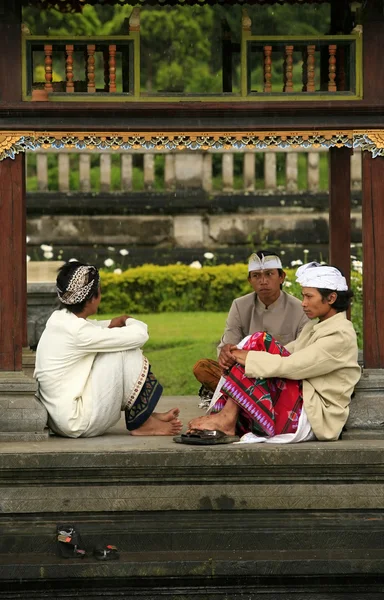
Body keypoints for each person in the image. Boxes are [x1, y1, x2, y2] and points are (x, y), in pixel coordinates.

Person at [185, 262, 361, 444]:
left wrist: (244, 355)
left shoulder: (340, 334)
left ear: (331, 298)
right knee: (257, 343)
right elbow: (285, 353)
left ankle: (226, 418)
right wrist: (241, 352)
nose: (303, 303)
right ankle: (226, 417)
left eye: (309, 297)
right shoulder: (315, 327)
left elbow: (292, 366)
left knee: (259, 342)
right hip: (299, 403)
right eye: (303, 297)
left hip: (313, 416)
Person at [34, 261, 182, 438]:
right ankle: (143, 423)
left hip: (60, 418)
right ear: (91, 298)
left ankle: (145, 415)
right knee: (125, 351)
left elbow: (90, 329)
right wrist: (129, 321)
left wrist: (113, 323)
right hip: (76, 421)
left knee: (117, 344)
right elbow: (140, 335)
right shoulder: (79, 333)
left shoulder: (58, 319)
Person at [193, 250, 309, 405]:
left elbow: (300, 358)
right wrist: (226, 353)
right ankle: (252, 405)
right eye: (256, 276)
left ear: (282, 277)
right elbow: (229, 347)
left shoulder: (300, 309)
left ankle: (241, 404)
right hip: (245, 374)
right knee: (203, 368)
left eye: (269, 274)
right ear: (250, 280)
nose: (263, 281)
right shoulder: (240, 305)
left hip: (281, 379)